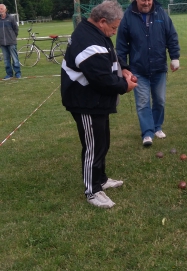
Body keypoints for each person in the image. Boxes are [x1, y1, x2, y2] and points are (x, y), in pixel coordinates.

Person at [61, 0, 137, 208]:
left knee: (102, 143)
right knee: (92, 147)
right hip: (85, 101)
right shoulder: (87, 40)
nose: (114, 32)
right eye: (113, 28)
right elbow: (101, 78)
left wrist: (123, 68)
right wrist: (125, 86)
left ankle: (101, 179)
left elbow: (109, 55)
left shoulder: (96, 33)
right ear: (102, 21)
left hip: (97, 101)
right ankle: (92, 190)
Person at [116, 0, 180, 146]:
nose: (146, 3)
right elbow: (121, 45)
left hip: (159, 67)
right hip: (138, 69)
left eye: (149, 0)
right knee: (143, 102)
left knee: (160, 100)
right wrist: (123, 67)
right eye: (143, 0)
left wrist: (174, 57)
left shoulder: (161, 13)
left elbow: (171, 36)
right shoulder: (128, 16)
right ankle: (147, 132)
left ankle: (157, 127)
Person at [0, 4, 21, 80]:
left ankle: (18, 73)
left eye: (1, 8)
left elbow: (16, 29)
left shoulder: (11, 18)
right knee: (6, 60)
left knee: (15, 59)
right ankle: (9, 74)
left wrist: (13, 37)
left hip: (11, 42)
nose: (0, 10)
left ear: (5, 9)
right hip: (2, 43)